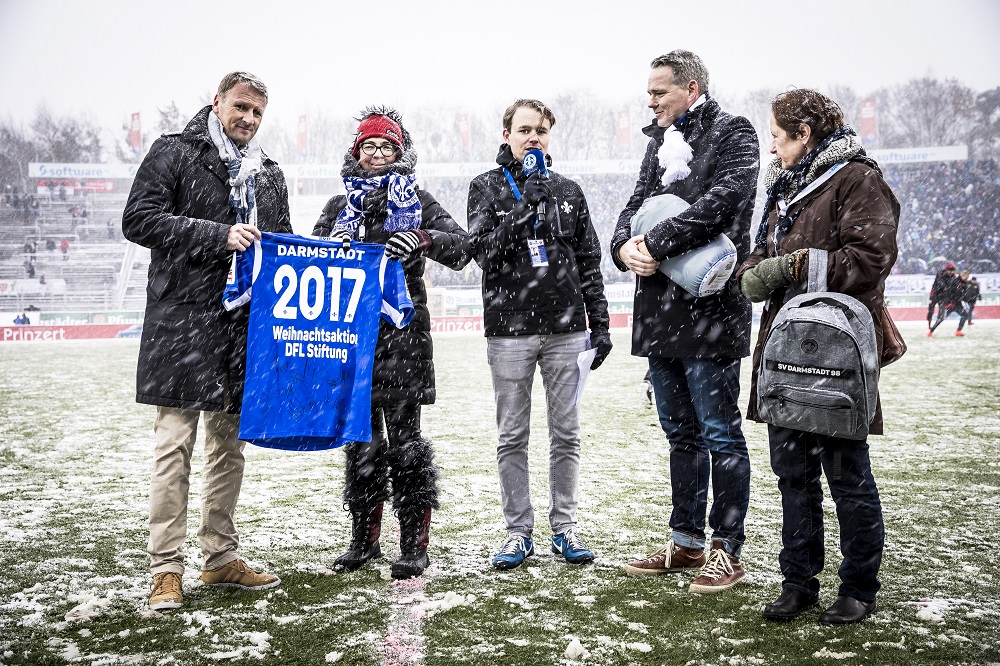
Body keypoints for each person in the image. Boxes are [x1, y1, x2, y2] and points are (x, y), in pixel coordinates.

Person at [122, 71, 291, 611]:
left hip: (240, 329)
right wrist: (218, 235)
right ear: (217, 102)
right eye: (240, 106)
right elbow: (138, 220)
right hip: (180, 323)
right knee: (174, 446)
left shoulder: (268, 174)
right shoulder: (174, 152)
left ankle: (219, 557)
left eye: (257, 112)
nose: (248, 118)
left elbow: (283, 247)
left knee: (229, 448)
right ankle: (165, 569)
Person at [735, 88, 898, 625]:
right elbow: (762, 255)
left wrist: (795, 267)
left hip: (837, 357)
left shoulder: (858, 179)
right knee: (793, 474)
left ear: (804, 135)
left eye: (778, 138)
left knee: (848, 475)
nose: (773, 148)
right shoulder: (785, 187)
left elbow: (871, 258)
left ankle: (858, 587)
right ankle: (798, 582)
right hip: (786, 353)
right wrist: (754, 271)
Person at [611, 50, 757, 593]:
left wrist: (653, 241)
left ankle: (727, 550)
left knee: (720, 433)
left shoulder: (734, 132)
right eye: (648, 92)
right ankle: (687, 542)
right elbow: (632, 208)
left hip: (711, 309)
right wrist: (623, 247)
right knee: (681, 435)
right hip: (660, 312)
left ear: (691, 88)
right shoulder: (658, 143)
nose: (650, 101)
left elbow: (722, 203)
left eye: (659, 92)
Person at [312, 108, 472, 579]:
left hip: (404, 337)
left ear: (401, 152)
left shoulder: (417, 200)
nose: (378, 153)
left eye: (387, 146)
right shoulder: (339, 206)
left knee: (405, 443)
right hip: (351, 338)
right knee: (362, 442)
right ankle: (364, 541)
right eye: (370, 146)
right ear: (356, 153)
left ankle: (413, 545)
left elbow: (463, 248)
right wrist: (332, 249)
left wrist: (421, 238)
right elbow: (311, 259)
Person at [468, 98, 612, 570]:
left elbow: (589, 262)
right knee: (512, 435)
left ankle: (564, 528)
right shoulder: (486, 186)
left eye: (541, 131)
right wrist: (522, 208)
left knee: (566, 433)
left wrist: (600, 324)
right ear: (506, 134)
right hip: (509, 332)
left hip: (567, 331)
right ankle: (518, 532)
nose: (533, 137)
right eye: (525, 129)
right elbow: (483, 253)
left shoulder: (568, 190)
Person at [927, 263, 968, 337]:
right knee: (936, 314)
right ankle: (930, 328)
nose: (952, 272)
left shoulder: (962, 282)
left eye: (953, 270)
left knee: (964, 315)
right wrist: (948, 301)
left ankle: (958, 331)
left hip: (955, 303)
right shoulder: (948, 277)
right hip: (941, 298)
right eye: (950, 270)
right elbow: (944, 286)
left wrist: (961, 298)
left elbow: (962, 294)